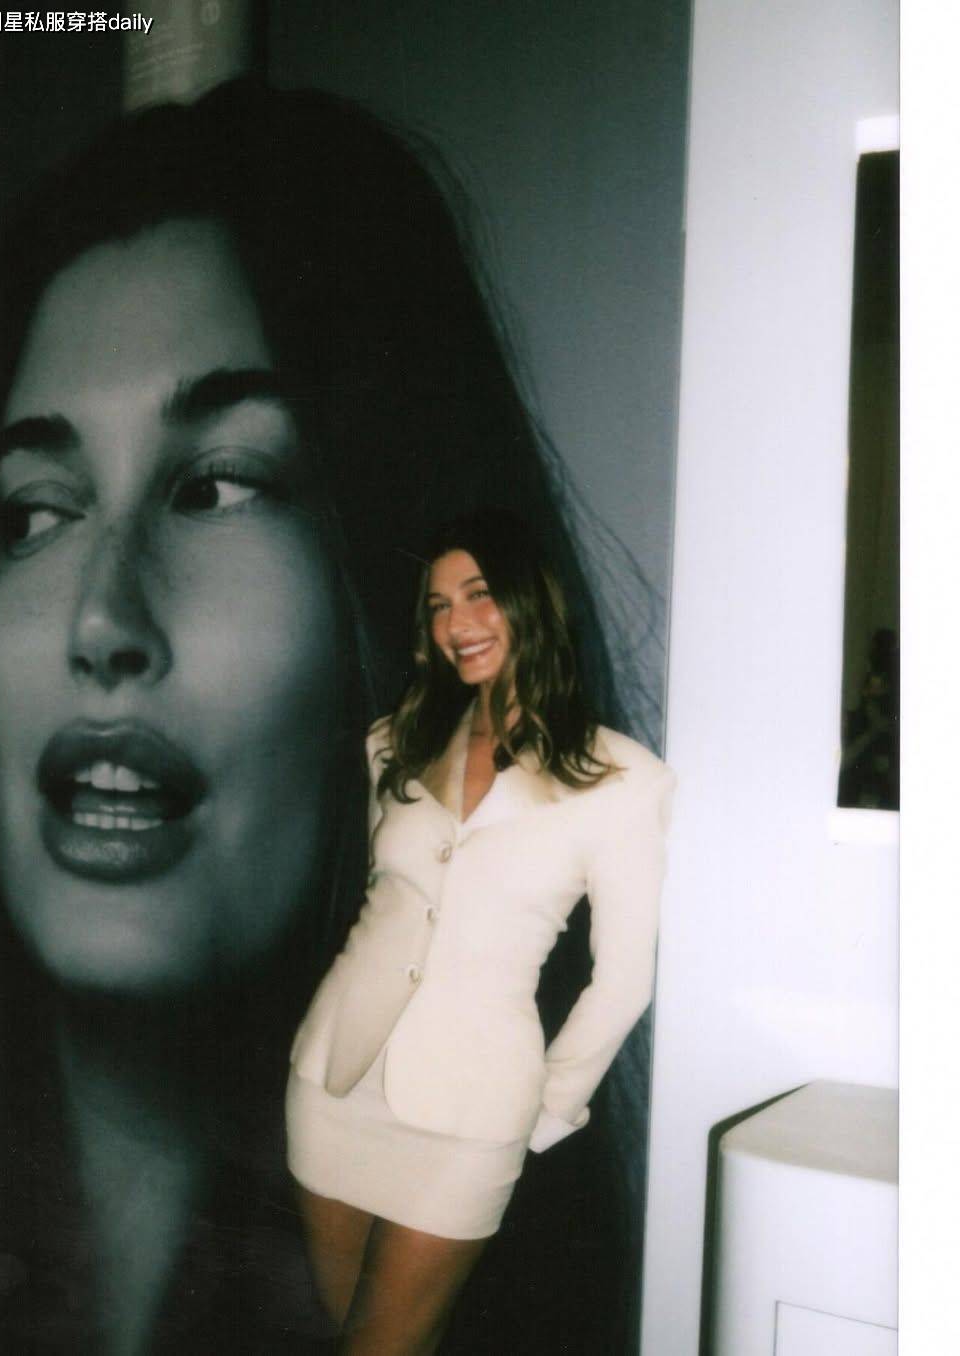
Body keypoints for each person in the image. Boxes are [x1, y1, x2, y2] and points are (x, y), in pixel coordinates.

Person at [0, 77, 661, 1352]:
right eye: (34, 512)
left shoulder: (597, 781)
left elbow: (616, 976)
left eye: (217, 487)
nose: (99, 621)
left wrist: (546, 1109)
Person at [286, 508, 675, 1353]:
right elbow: (384, 905)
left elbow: (623, 982)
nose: (455, 622)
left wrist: (546, 1110)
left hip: (471, 1113)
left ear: (532, 600)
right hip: (334, 1082)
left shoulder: (623, 778)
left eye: (478, 593)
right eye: (437, 605)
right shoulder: (393, 743)